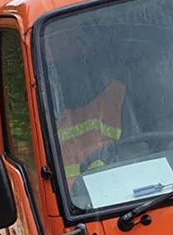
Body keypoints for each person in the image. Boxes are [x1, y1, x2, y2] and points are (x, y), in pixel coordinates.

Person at [52, 32, 126, 179]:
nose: (79, 50)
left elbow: (142, 150)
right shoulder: (46, 108)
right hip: (70, 198)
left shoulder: (120, 96)